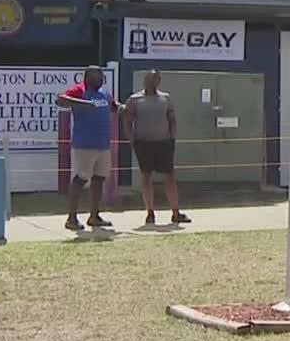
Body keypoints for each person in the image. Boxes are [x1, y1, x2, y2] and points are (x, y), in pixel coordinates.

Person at [123, 69, 191, 227]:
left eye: (155, 79)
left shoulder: (165, 98)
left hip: (163, 143)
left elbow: (172, 119)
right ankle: (150, 212)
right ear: (144, 80)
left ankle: (175, 212)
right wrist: (132, 140)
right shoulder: (134, 99)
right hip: (143, 143)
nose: (151, 82)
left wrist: (172, 138)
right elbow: (127, 121)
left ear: (159, 81)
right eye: (149, 78)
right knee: (146, 177)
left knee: (169, 177)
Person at [55, 66, 118, 231]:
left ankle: (94, 216)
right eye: (97, 77)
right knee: (80, 180)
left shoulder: (104, 92)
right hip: (84, 145)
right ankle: (71, 218)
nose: (100, 79)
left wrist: (122, 107)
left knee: (99, 179)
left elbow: (113, 106)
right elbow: (59, 99)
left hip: (103, 145)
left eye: (102, 77)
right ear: (87, 77)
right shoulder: (79, 90)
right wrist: (83, 104)